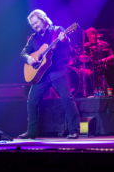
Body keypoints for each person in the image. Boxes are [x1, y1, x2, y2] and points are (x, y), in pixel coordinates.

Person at [19, 9, 80, 139]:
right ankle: (31, 132)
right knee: (31, 101)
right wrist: (28, 58)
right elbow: (23, 53)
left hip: (58, 70)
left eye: (36, 23)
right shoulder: (33, 38)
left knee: (66, 98)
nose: (35, 26)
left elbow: (68, 46)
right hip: (41, 75)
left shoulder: (57, 31)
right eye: (33, 25)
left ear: (43, 19)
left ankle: (74, 130)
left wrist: (64, 40)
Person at [85, 27, 114, 91]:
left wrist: (103, 60)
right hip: (90, 68)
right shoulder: (87, 45)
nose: (88, 38)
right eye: (87, 37)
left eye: (89, 36)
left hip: (102, 68)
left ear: (95, 35)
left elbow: (112, 56)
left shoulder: (103, 44)